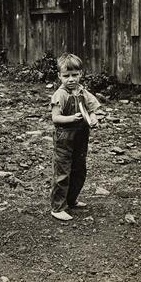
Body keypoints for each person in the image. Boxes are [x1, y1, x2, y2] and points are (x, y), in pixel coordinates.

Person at [50, 53, 101, 221]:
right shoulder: (61, 94)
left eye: (74, 75)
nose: (71, 79)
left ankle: (71, 200)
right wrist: (71, 119)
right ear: (59, 76)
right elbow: (55, 118)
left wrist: (93, 119)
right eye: (66, 76)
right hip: (64, 138)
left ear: (80, 74)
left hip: (80, 137)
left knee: (79, 170)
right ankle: (57, 207)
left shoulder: (82, 92)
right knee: (62, 173)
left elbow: (91, 110)